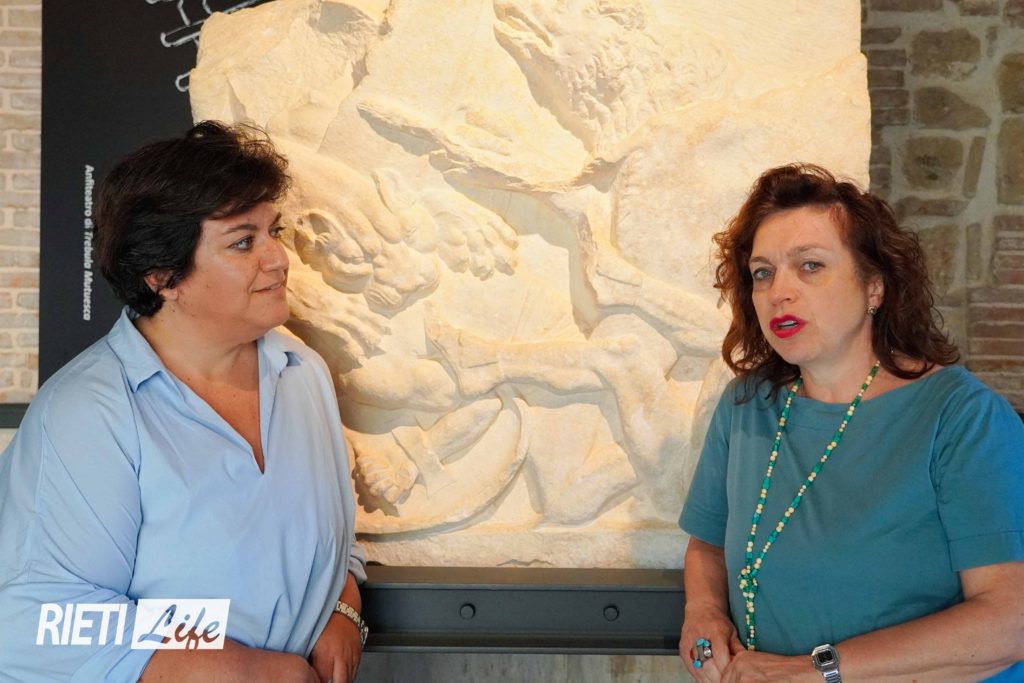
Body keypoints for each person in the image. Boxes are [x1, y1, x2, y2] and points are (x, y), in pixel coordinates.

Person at [0, 122, 367, 683]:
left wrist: (343, 607)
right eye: (243, 242)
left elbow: (330, 542)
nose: (278, 259)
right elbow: (40, 619)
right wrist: (239, 667)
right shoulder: (87, 415)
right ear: (163, 275)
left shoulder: (303, 374)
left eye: (273, 231)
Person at [678, 163, 1024, 682]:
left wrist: (811, 673)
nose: (779, 291)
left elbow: (1009, 622)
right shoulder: (745, 406)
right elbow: (707, 544)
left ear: (874, 287)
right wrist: (703, 611)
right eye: (763, 272)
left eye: (810, 265)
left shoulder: (963, 417)